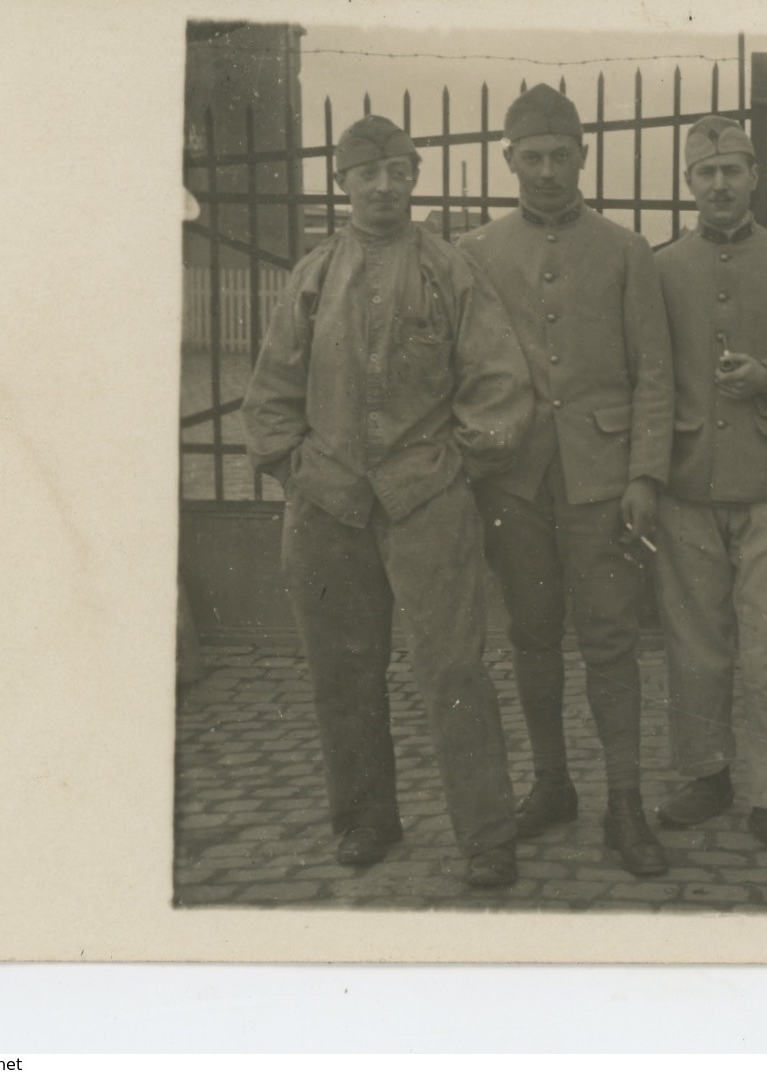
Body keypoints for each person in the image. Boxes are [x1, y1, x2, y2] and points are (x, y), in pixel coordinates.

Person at [241, 116, 533, 888]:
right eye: (365, 173)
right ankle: (366, 818)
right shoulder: (312, 276)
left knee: (453, 670)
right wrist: (298, 467)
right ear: (341, 183)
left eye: (396, 171)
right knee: (342, 670)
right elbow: (270, 394)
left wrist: (454, 463)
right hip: (326, 503)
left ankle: (485, 834)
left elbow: (498, 383)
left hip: (427, 500)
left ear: (413, 177)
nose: (381, 186)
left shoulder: (449, 269)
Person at [457, 84, 675, 877]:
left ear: (583, 157)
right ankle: (552, 784)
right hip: (515, 481)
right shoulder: (476, 253)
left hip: (604, 481)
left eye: (560, 155)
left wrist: (645, 471)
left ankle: (625, 802)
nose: (546, 170)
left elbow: (654, 371)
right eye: (531, 157)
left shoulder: (625, 251)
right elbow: (467, 367)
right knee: (531, 633)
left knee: (612, 640)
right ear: (508, 160)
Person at [649, 116, 767, 861]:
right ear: (688, 183)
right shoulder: (661, 268)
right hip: (687, 484)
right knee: (695, 647)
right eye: (706, 173)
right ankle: (706, 775)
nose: (720, 184)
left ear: (754, 176)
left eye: (733, 169)